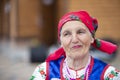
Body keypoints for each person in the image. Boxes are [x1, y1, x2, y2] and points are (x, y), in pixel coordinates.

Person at [30, 10, 120, 80]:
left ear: (92, 38)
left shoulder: (109, 74)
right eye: (67, 34)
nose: (74, 39)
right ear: (60, 41)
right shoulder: (44, 72)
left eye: (80, 32)